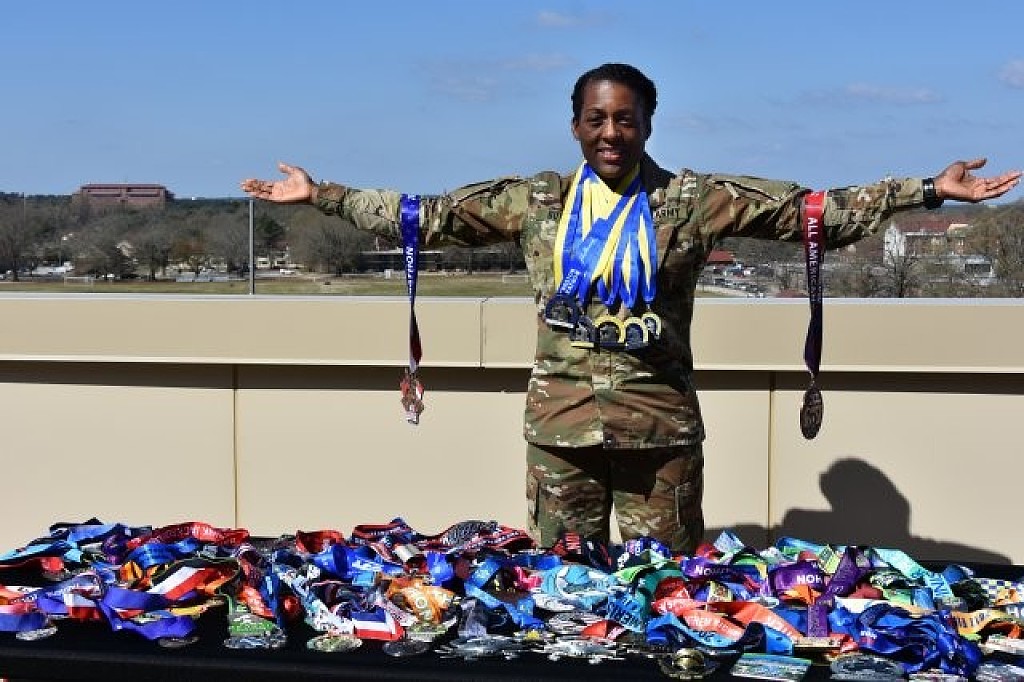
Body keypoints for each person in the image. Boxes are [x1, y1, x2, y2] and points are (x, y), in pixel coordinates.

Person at [242, 62, 1020, 554]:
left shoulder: (693, 200)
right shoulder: (537, 201)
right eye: (596, 119)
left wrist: (925, 190)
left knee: (663, 598)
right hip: (560, 435)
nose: (611, 132)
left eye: (625, 118)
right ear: (576, 126)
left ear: (647, 123)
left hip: (660, 435)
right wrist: (322, 195)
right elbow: (428, 217)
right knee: (564, 596)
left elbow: (809, 212)